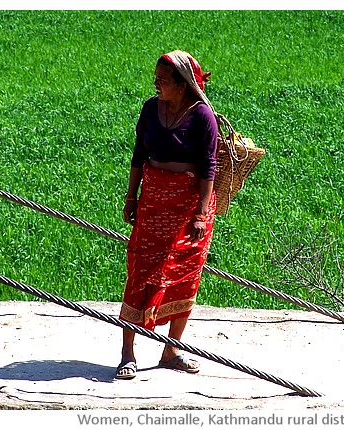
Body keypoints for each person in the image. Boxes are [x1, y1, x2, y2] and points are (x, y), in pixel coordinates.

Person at [116, 50, 219, 380]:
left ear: (182, 84)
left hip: (189, 210)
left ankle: (172, 349)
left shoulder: (202, 116)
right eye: (156, 79)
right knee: (140, 274)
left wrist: (201, 214)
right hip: (152, 205)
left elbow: (208, 167)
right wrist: (131, 197)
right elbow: (138, 155)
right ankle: (127, 352)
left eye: (163, 80)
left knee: (183, 277)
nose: (156, 84)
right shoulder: (150, 109)